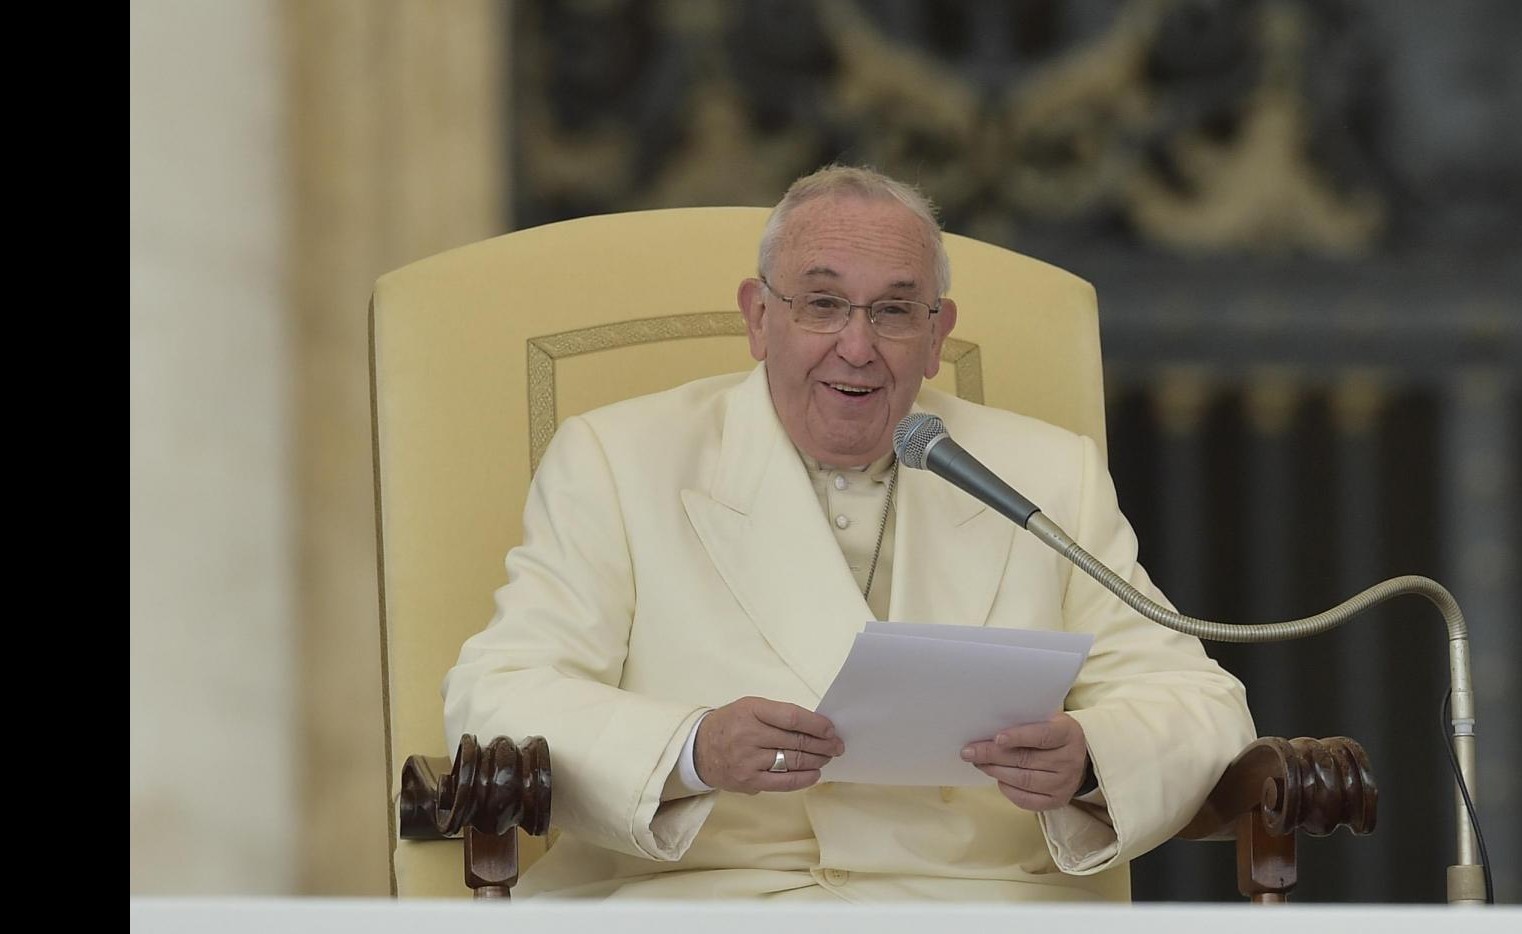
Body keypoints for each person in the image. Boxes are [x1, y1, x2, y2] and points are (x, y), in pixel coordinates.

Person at [442, 164, 1255, 901]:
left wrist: (1088, 759)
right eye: (823, 304)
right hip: (703, 902)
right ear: (760, 319)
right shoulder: (620, 459)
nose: (857, 347)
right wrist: (692, 748)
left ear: (937, 336)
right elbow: (499, 692)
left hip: (972, 908)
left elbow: (1202, 703)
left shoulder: (1043, 474)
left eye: (895, 311)